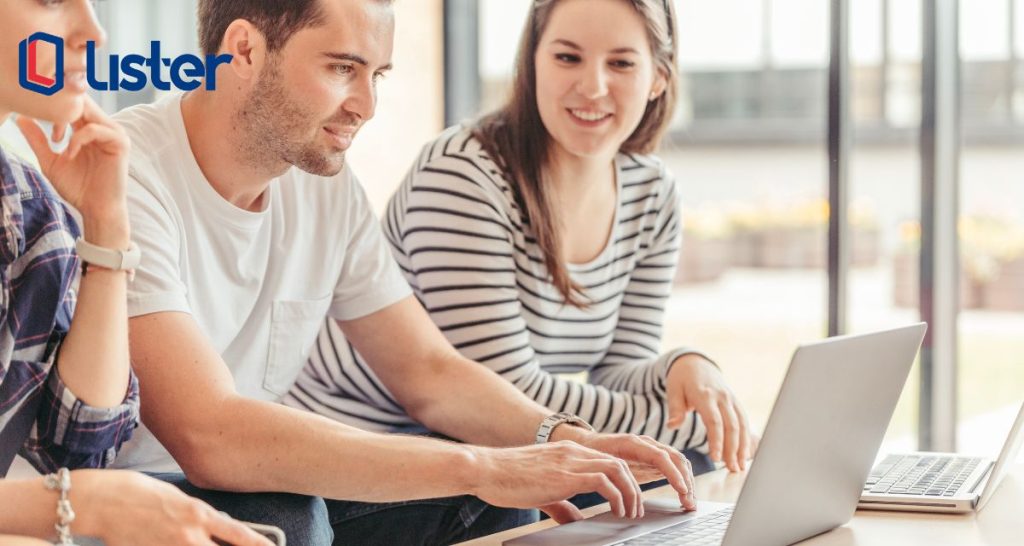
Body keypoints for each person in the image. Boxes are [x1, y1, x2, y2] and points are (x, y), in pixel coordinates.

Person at [111, 0, 698, 544]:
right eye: (344, 68)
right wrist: (483, 466)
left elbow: (428, 371)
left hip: (252, 485)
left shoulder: (324, 187)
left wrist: (566, 440)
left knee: (501, 508)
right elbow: (209, 436)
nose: (367, 105)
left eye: (378, 75)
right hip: (120, 498)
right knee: (290, 517)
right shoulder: (127, 174)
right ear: (243, 51)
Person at [288, 0, 756, 501]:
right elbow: (507, 392)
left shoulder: (652, 194)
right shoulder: (463, 174)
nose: (593, 87)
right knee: (680, 461)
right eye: (567, 58)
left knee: (674, 473)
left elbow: (618, 370)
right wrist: (689, 429)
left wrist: (683, 367)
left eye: (621, 63)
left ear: (659, 78)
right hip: (371, 453)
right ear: (533, 64)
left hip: (492, 447)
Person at [0, 1, 272, 545]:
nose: (92, 32)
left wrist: (106, 227)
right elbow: (77, 491)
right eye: (51, 1)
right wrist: (76, 505)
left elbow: (77, 445)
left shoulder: (30, 213)